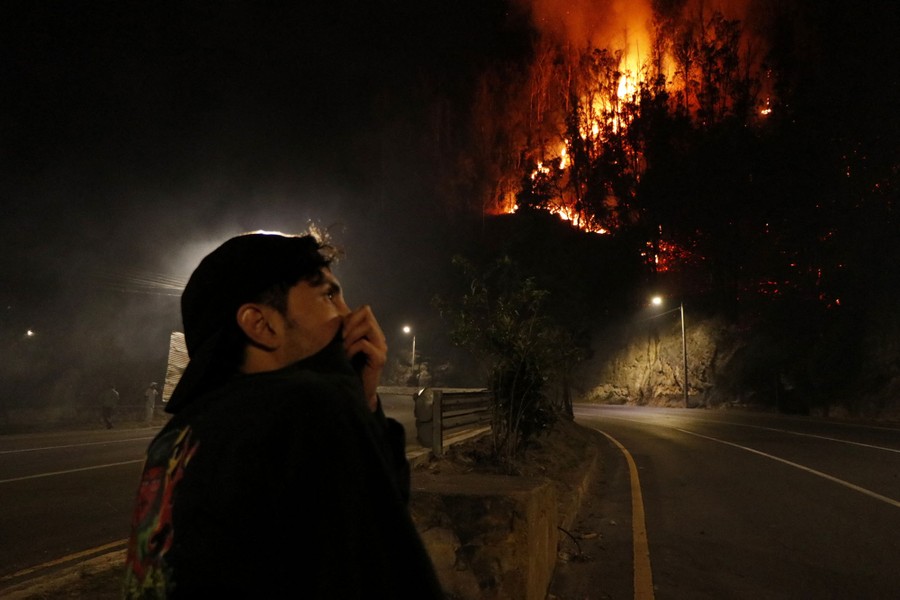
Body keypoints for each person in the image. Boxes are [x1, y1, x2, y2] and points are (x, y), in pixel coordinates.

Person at [122, 231, 444, 598]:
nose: (351, 315)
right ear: (261, 324)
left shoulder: (175, 437)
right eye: (328, 296)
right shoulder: (308, 406)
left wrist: (363, 398)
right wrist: (345, 396)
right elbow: (387, 566)